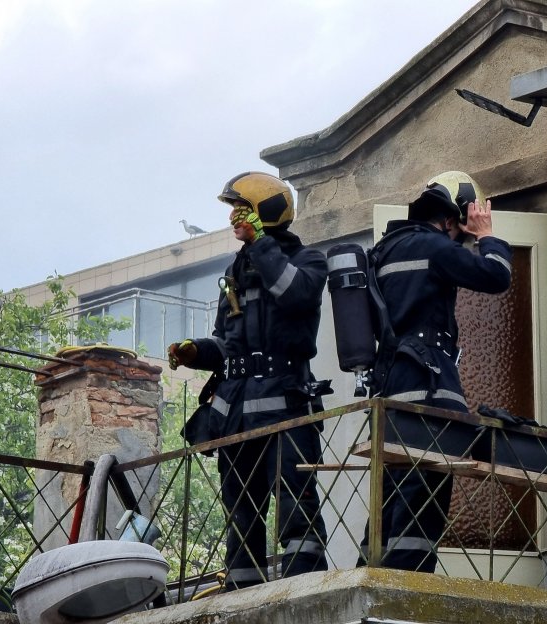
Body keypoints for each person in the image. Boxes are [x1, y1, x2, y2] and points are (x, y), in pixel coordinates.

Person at [168, 171, 330, 590]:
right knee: (240, 509)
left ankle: (303, 586)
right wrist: (196, 352)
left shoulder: (307, 261)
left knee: (295, 501)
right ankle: (241, 589)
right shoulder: (236, 270)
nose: (232, 218)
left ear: (265, 212)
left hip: (287, 409)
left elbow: (296, 294)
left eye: (241, 210)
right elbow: (229, 344)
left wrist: (261, 245)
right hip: (236, 414)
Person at [359, 170, 512, 573]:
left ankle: (368, 581)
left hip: (389, 392)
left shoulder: (382, 252)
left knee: (389, 499)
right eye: (460, 231)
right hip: (428, 388)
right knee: (422, 501)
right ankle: (406, 594)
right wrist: (486, 235)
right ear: (450, 219)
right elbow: (496, 275)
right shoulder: (435, 247)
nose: (460, 241)